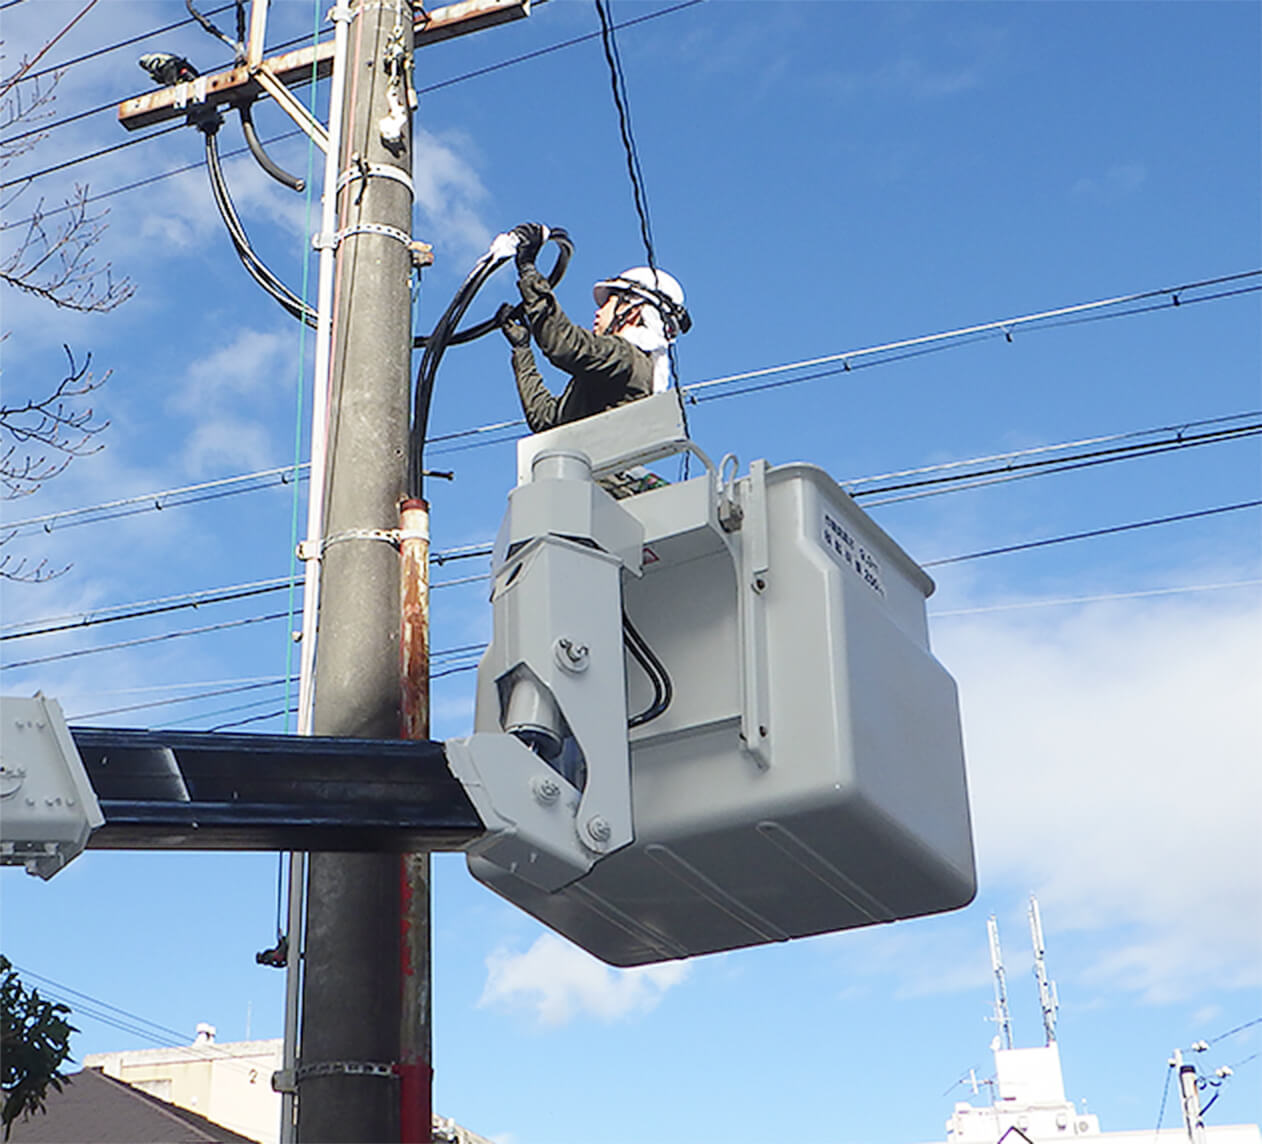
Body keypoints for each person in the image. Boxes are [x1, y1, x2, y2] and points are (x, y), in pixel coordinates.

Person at [496, 223, 690, 433]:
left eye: (607, 303)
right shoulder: (613, 371)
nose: (598, 313)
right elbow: (546, 419)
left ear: (632, 310)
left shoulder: (626, 357)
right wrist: (523, 349)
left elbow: (565, 344)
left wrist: (528, 271)